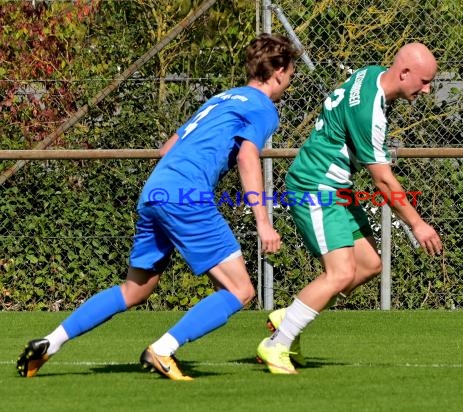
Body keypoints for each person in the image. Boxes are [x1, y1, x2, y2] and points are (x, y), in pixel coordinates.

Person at [17, 33, 301, 381]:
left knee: (135, 289)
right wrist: (263, 221)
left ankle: (51, 341)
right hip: (186, 195)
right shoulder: (261, 106)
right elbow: (247, 155)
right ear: (280, 72)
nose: (289, 81)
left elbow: (168, 148)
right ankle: (163, 349)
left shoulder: (219, 100)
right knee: (241, 290)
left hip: (156, 190)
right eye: (290, 74)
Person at [256, 42, 443, 374]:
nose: (427, 90)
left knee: (369, 265)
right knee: (340, 273)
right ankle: (277, 344)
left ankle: (290, 316)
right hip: (315, 186)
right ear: (404, 73)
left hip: (336, 188)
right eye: (425, 81)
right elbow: (383, 182)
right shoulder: (368, 111)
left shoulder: (370, 74)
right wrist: (418, 224)